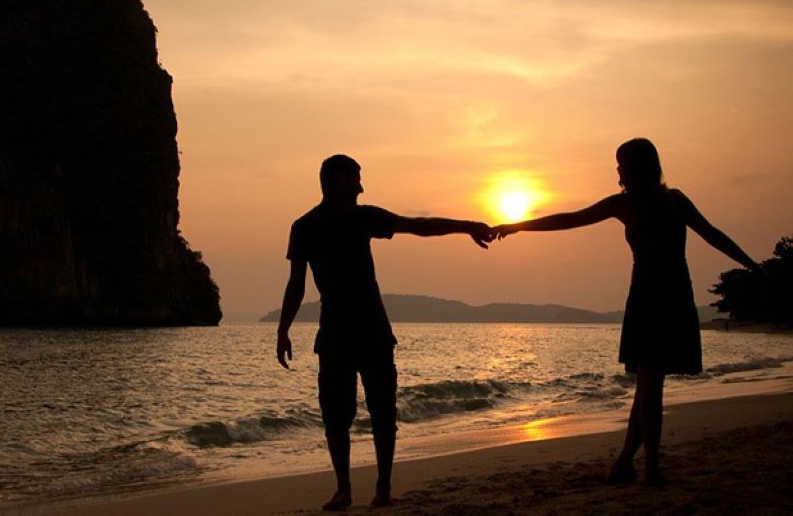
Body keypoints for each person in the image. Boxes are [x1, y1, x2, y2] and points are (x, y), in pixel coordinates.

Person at [492, 138, 765, 485]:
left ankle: (650, 468)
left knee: (650, 385)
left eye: (621, 165)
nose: (618, 172)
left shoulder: (659, 201)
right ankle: (626, 463)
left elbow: (713, 235)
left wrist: (753, 265)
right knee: (649, 384)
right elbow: (568, 220)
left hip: (657, 297)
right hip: (664, 294)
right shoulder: (638, 203)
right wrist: (517, 225)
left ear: (637, 168)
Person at [276, 154, 493, 511]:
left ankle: (383, 488)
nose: (361, 187)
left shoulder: (363, 218)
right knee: (336, 415)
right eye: (355, 180)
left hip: (372, 329)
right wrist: (283, 330)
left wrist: (466, 226)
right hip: (336, 334)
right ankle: (344, 488)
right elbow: (296, 284)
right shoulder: (305, 227)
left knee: (382, 411)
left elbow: (419, 226)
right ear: (337, 181)